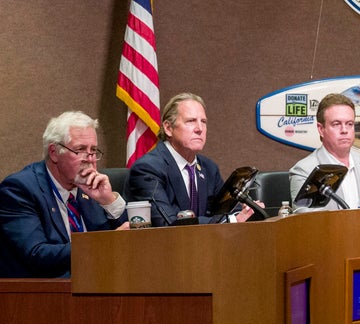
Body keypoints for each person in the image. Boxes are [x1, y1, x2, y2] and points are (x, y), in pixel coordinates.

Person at [0, 111, 128, 278]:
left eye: (93, 150)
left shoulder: (90, 186)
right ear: (54, 152)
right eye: (80, 149)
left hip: (99, 282)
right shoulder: (20, 189)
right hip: (45, 289)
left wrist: (108, 201)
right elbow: (37, 254)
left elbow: (132, 241)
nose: (90, 159)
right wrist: (105, 243)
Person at [129, 92, 257, 225]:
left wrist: (245, 213)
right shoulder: (148, 169)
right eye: (191, 121)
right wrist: (230, 220)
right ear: (168, 128)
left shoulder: (209, 168)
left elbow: (228, 210)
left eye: (203, 122)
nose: (200, 129)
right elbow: (168, 224)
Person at [289, 93, 360, 212]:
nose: (344, 130)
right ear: (321, 129)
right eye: (336, 124)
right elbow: (305, 219)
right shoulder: (304, 170)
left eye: (349, 124)